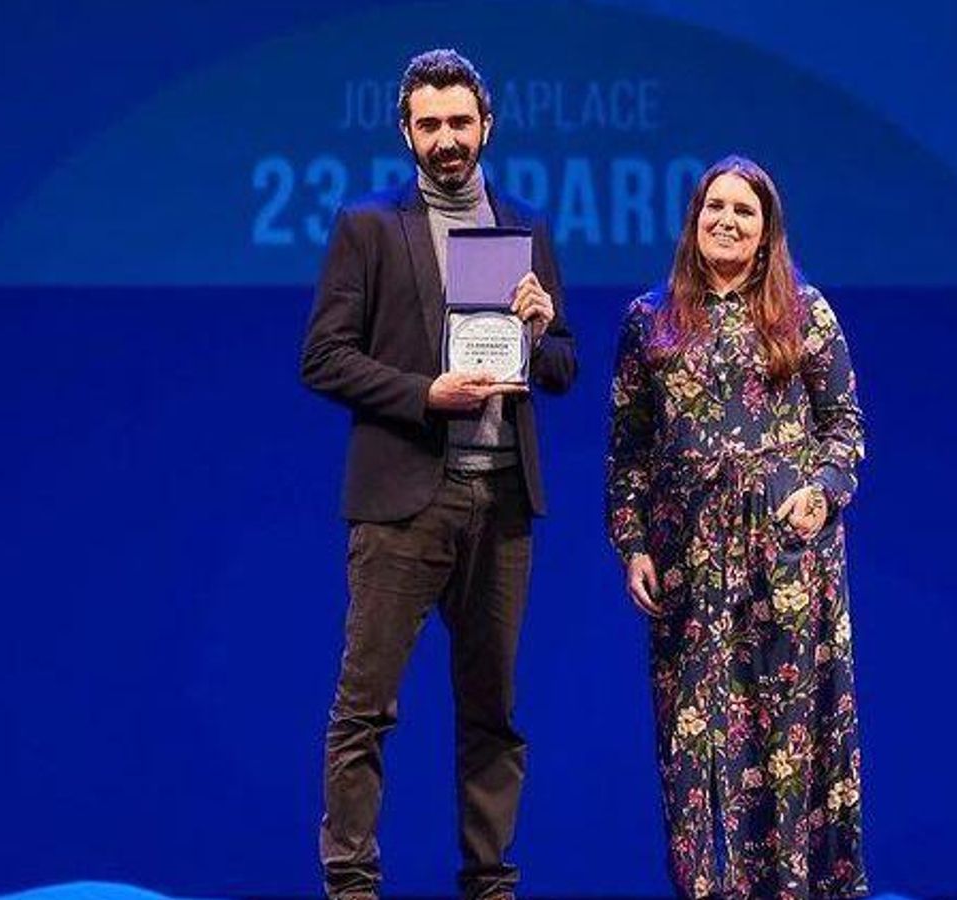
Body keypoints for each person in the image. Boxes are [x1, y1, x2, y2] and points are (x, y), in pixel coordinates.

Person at [300, 48, 576, 900]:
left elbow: (561, 368)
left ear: (486, 125)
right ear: (406, 133)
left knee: (492, 714)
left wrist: (541, 327)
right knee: (366, 709)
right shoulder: (369, 227)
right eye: (430, 125)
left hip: (500, 503)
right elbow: (324, 358)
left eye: (461, 122)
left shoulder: (522, 226)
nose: (448, 139)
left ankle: (490, 885)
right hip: (404, 505)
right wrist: (427, 392)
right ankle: (352, 887)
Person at [604, 156, 867, 899]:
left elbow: (844, 426)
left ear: (766, 231)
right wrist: (631, 545)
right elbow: (628, 449)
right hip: (688, 559)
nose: (726, 220)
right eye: (714, 206)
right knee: (695, 745)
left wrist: (823, 492)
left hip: (785, 557)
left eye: (744, 211)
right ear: (693, 222)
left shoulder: (805, 312)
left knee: (786, 737)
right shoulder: (647, 320)